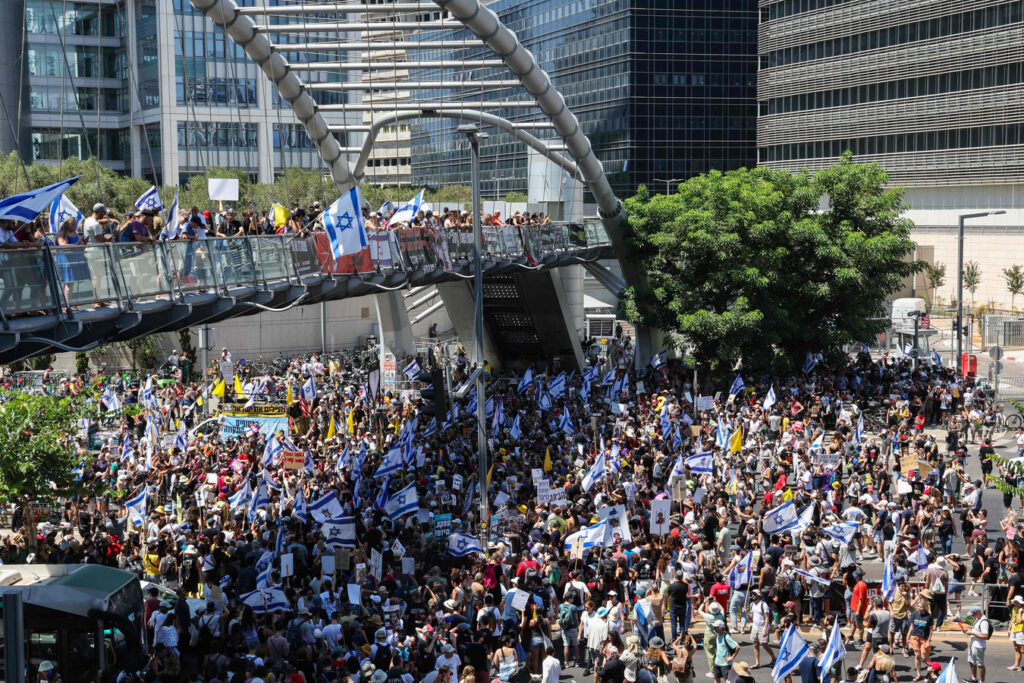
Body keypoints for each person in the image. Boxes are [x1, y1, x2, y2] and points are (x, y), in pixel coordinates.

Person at [961, 605, 990, 683]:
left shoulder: (984, 622)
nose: (972, 616)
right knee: (971, 661)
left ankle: (981, 681)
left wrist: (972, 633)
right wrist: (968, 630)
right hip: (973, 644)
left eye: (973, 614)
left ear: (977, 613)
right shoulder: (977, 619)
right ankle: (974, 679)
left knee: (980, 664)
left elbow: (986, 636)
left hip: (979, 646)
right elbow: (976, 630)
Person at [749, 590, 774, 668]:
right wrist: (746, 613)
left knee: (765, 645)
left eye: (754, 594)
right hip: (754, 627)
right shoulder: (752, 604)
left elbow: (767, 618)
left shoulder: (763, 604)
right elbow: (752, 616)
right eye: (752, 594)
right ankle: (757, 663)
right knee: (755, 645)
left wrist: (765, 629)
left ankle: (774, 658)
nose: (753, 595)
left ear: (758, 595)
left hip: (762, 628)